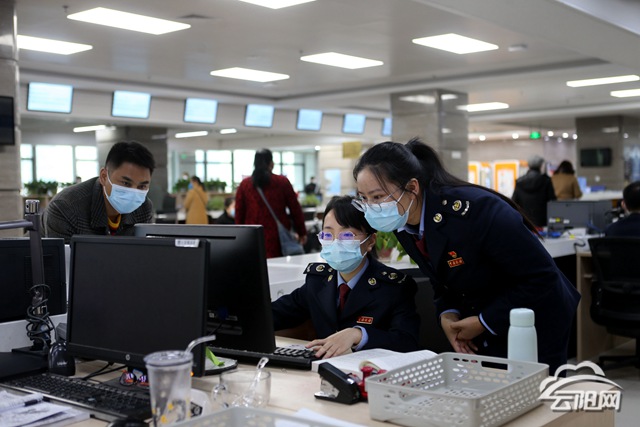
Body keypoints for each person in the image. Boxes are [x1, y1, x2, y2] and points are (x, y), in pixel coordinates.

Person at [353, 138, 580, 373]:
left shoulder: (474, 211)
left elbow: (541, 277)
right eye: (363, 198)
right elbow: (441, 276)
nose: (371, 207)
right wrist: (447, 313)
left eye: (377, 197)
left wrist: (484, 321)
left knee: (532, 389)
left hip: (534, 316)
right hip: (485, 318)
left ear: (412, 187)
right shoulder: (403, 220)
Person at [272, 195, 420, 358]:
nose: (336, 242)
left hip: (369, 370)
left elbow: (407, 342)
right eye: (328, 235)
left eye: (347, 236)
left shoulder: (394, 287)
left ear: (370, 241)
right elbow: (275, 314)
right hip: (323, 369)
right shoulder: (317, 281)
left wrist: (359, 335)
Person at [43, 141, 155, 243]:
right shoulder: (66, 207)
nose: (133, 192)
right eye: (126, 183)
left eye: (142, 186)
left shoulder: (144, 208)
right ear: (104, 176)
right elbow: (63, 258)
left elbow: (144, 253)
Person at [235, 149, 307, 258]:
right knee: (278, 265)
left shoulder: (245, 185)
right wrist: (302, 232)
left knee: (256, 265)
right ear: (271, 164)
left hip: (252, 237)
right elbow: (295, 209)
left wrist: (239, 237)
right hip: (277, 238)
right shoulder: (282, 182)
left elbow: (239, 213)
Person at [512, 155, 556, 228]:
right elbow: (552, 201)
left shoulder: (520, 182)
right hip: (543, 222)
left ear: (528, 165)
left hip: (526, 222)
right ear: (540, 166)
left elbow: (514, 202)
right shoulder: (546, 181)